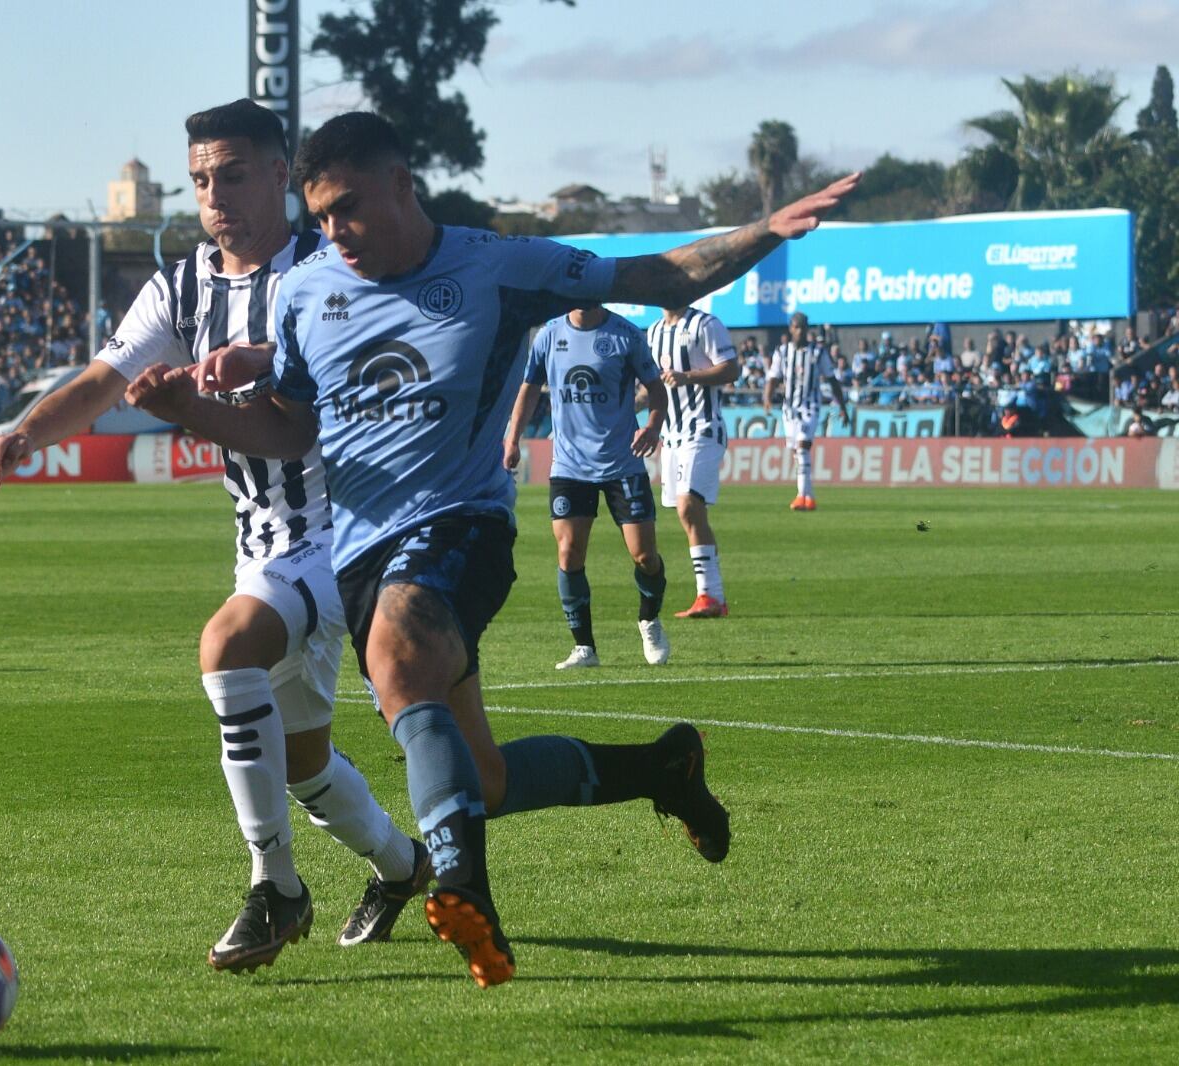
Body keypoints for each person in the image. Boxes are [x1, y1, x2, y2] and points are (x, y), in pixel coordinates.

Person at [126, 111, 856, 988]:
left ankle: (463, 888)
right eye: (319, 216)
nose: (334, 231)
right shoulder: (307, 293)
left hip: (462, 525)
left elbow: (656, 274)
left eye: (348, 206)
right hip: (360, 558)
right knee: (485, 778)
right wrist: (191, 412)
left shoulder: (498, 265)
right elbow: (289, 428)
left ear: (402, 184)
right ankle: (665, 768)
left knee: (399, 652)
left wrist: (764, 232)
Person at [0, 100, 427, 975]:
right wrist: (26, 433)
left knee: (226, 646)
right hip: (260, 543)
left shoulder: (326, 275)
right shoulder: (181, 287)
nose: (213, 196)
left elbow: (300, 430)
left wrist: (197, 402)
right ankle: (404, 865)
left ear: (280, 176)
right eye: (198, 181)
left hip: (342, 534)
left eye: (231, 175)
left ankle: (276, 887)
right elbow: (102, 379)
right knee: (303, 764)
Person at [502, 306, 671, 669]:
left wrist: (653, 426)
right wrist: (512, 438)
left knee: (644, 556)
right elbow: (528, 389)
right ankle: (584, 647)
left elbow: (657, 389)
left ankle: (649, 619)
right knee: (569, 552)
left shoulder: (626, 335)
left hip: (622, 461)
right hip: (570, 465)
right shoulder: (548, 335)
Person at [648, 305, 740, 618]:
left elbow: (731, 369)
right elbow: (653, 387)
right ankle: (711, 596)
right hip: (672, 437)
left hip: (703, 428)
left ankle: (710, 595)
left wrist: (688, 377)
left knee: (689, 505)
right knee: (689, 514)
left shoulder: (705, 324)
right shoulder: (654, 332)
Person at [764, 310, 848, 511]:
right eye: (796, 327)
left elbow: (832, 379)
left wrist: (842, 406)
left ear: (807, 329)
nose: (799, 331)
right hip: (789, 409)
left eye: (802, 327)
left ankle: (802, 496)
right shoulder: (782, 352)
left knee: (802, 447)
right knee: (796, 452)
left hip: (810, 406)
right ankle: (808, 496)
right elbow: (773, 377)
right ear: (791, 329)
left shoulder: (818, 352)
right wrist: (767, 398)